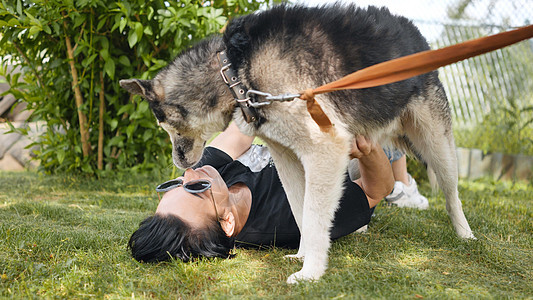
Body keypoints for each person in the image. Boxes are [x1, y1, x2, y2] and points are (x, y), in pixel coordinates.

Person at [128, 123, 413, 263]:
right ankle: (404, 184)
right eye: (195, 189)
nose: (190, 173)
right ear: (227, 221)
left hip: (307, 142)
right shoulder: (292, 221)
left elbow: (239, 133)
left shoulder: (206, 176)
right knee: (377, 123)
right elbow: (376, 189)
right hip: (347, 169)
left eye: (174, 183)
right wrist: (367, 149)